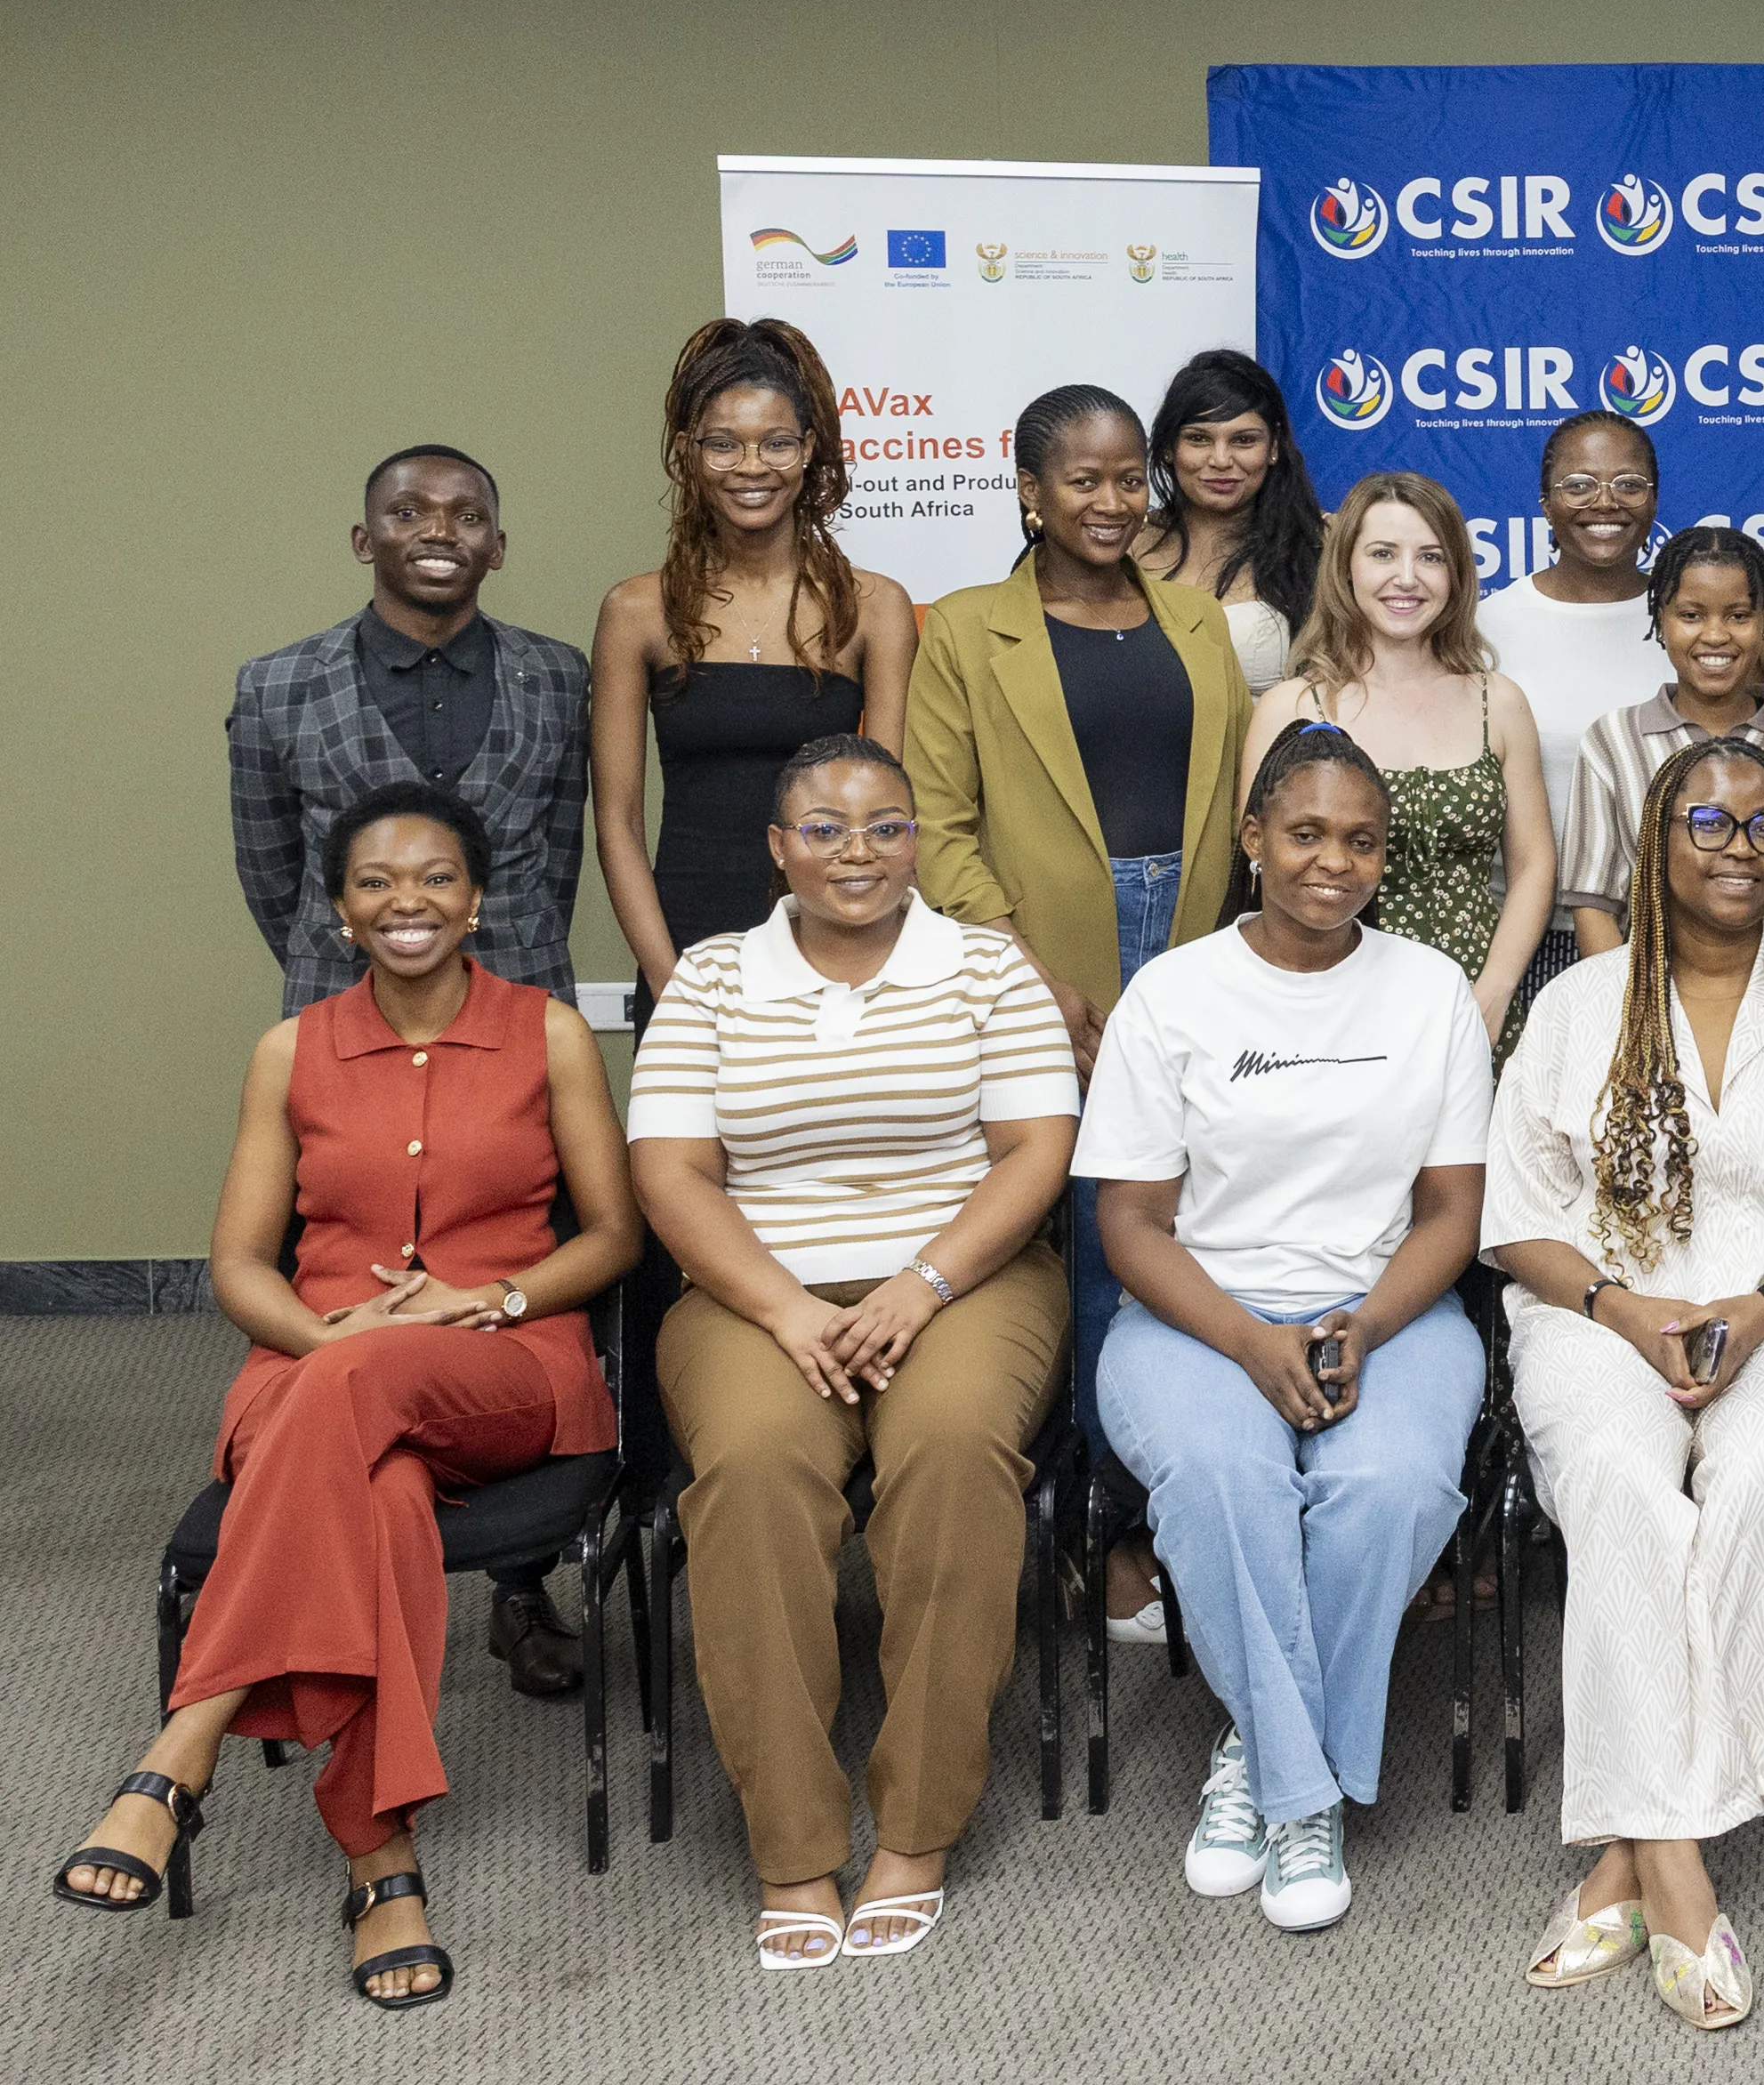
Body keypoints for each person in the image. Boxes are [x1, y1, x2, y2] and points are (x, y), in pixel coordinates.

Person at [53, 785, 637, 2008]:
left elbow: (614, 1236)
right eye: (376, 882)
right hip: (314, 1370)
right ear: (337, 910)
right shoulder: (292, 1049)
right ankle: (384, 1865)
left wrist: (492, 1303)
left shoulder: (547, 1034)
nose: (406, 900)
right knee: (379, 1486)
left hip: (503, 1370)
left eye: (434, 878)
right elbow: (237, 1266)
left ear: (477, 903)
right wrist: (330, 1336)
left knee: (365, 1389)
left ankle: (183, 1745)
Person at [1482, 737, 1764, 2030]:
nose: (1737, 847)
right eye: (1707, 819)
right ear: (1654, 841)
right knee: (1624, 1480)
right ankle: (1681, 1866)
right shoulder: (1579, 1005)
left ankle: (1632, 1847)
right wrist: (1629, 1313)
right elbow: (1517, 1217)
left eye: (1763, 826)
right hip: (1598, 1314)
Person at [628, 736, 1077, 1968]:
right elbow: (669, 1174)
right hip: (751, 1293)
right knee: (757, 1470)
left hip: (963, 1277)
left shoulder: (986, 967)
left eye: (884, 825)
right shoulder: (714, 980)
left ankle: (919, 1828)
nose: (857, 852)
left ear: (915, 839)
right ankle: (790, 1838)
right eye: (823, 829)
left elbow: (1037, 1150)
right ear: (778, 848)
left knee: (947, 1450)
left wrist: (920, 1283)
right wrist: (783, 1307)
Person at [1083, 726, 1491, 1936]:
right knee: (1219, 1477)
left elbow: (1452, 1212)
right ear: (1254, 838)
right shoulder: (1175, 994)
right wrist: (1251, 1342)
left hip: (1390, 1307)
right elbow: (1132, 1227)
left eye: (1361, 841)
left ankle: (1259, 1755)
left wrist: (1363, 1324)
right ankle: (1299, 1780)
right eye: (1305, 832)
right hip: (1195, 1313)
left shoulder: (1428, 992)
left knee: (1394, 1484)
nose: (1333, 861)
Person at [229, 441, 599, 1698]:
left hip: (513, 1020)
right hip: (343, 1016)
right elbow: (272, 870)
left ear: (496, 542)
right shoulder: (277, 688)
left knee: (517, 1274)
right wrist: (353, 963)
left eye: (465, 514)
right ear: (365, 536)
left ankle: (522, 1581)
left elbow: (553, 852)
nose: (435, 529)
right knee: (333, 1264)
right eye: (407, 511)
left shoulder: (558, 678)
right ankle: (329, 1549)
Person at [907, 383, 1249, 1648]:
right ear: (1030, 493)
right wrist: (1033, 981)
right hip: (1031, 963)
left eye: (1128, 481)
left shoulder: (1198, 623)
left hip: (1193, 961)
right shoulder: (967, 632)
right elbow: (935, 829)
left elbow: (1229, 815)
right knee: (1079, 1246)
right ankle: (1100, 1526)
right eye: (1083, 482)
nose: (1111, 504)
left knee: (1179, 1234)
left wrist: (1199, 981)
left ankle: (1173, 1502)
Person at [591, 318, 917, 1009]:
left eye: (775, 442)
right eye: (723, 444)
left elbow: (882, 821)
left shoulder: (875, 606)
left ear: (809, 451)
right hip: (685, 948)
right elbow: (617, 822)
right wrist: (666, 976)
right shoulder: (637, 611)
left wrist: (859, 966)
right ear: (688, 452)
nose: (751, 466)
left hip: (838, 946)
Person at [1245, 469, 1556, 1045]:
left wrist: (1493, 993)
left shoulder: (1499, 701)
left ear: (1457, 573)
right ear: (1345, 567)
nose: (1406, 578)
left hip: (1471, 1003)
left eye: (1431, 557)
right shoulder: (1291, 707)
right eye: (1382, 553)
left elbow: (1534, 864)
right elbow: (1261, 873)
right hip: (1324, 1005)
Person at [1562, 527, 1764, 959]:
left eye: (1738, 616)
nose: (1715, 635)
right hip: (1649, 990)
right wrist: (1629, 1006)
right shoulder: (1614, 740)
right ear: (1660, 623)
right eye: (1691, 615)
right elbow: (1594, 902)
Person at [1479, 413, 1671, 986]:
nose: (1605, 503)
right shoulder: (1489, 625)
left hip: (1668, 934)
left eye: (1629, 484)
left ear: (1655, 499)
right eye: (1579, 485)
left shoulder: (1693, 624)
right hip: (1521, 935)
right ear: (1544, 502)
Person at [1139, 348, 1330, 698]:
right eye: (1198, 439)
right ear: (1168, 447)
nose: (1221, 460)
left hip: (1279, 750)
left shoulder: (1323, 545)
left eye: (1244, 440)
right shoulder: (1127, 546)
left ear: (1273, 447)